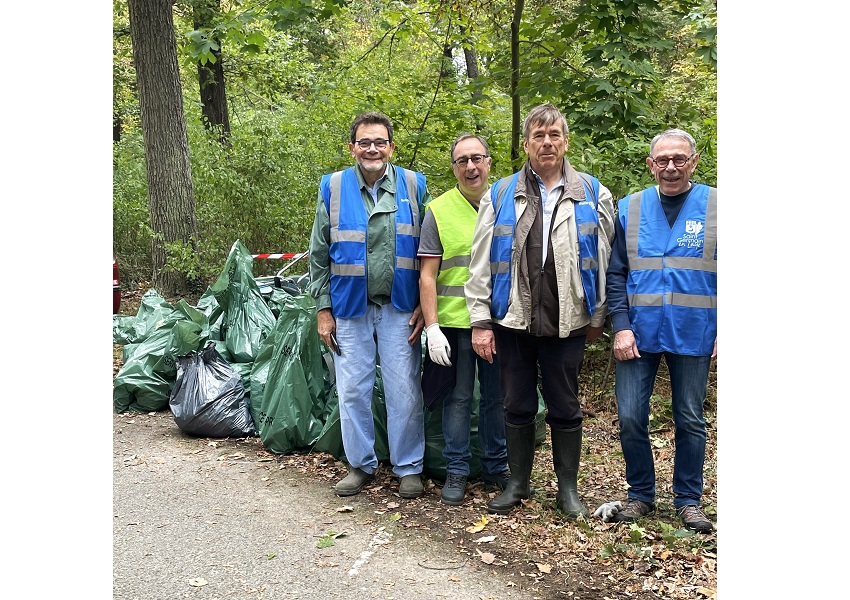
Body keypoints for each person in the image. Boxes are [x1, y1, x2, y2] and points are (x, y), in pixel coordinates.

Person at [464, 103, 615, 519]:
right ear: (526, 143)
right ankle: (518, 484)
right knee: (517, 403)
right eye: (538, 136)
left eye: (554, 135)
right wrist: (480, 321)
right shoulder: (500, 193)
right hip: (513, 320)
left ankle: (568, 490)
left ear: (565, 141)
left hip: (569, 321)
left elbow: (604, 259)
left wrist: (599, 315)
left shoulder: (592, 192)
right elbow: (480, 262)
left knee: (565, 404)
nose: (547, 143)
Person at [307, 111, 431, 499]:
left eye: (380, 141)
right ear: (352, 148)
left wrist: (427, 306)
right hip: (349, 308)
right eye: (365, 142)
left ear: (391, 146)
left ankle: (408, 466)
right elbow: (318, 254)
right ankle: (360, 464)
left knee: (404, 391)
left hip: (400, 308)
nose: (372, 148)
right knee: (353, 390)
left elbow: (431, 252)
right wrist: (323, 310)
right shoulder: (334, 186)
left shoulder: (414, 185)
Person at [603, 128, 717, 533]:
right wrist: (620, 327)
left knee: (689, 418)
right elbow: (615, 274)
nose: (671, 167)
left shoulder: (718, 206)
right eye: (663, 160)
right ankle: (641, 495)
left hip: (695, 330)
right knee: (631, 416)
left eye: (679, 159)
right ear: (651, 164)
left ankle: (688, 501)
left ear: (694, 160)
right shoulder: (630, 208)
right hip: (639, 332)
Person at [418, 133, 510, 506]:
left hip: (500, 321)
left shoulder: (509, 204)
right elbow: (427, 275)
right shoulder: (438, 210)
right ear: (454, 167)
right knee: (457, 399)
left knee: (495, 397)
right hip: (455, 324)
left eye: (477, 158)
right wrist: (432, 326)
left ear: (489, 161)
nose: (470, 167)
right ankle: (456, 470)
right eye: (462, 161)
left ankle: (496, 466)